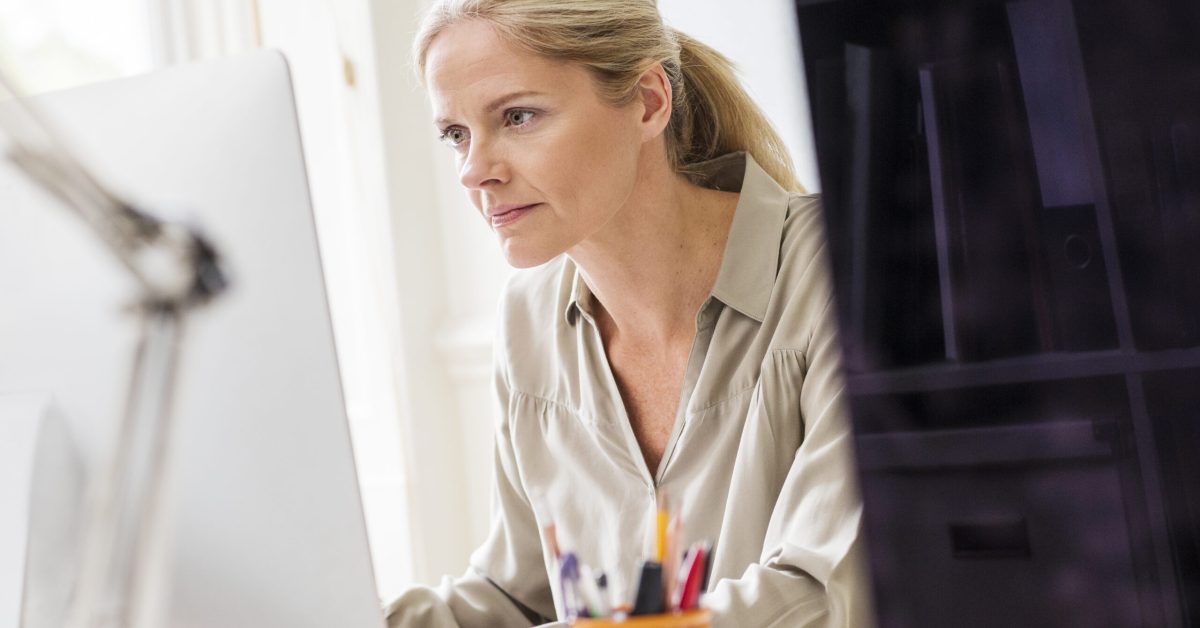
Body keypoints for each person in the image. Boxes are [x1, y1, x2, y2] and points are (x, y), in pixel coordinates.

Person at [385, 1, 873, 626]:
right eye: (456, 134)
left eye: (517, 116)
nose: (475, 171)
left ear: (648, 101)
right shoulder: (529, 322)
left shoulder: (840, 270)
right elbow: (517, 596)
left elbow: (822, 594)